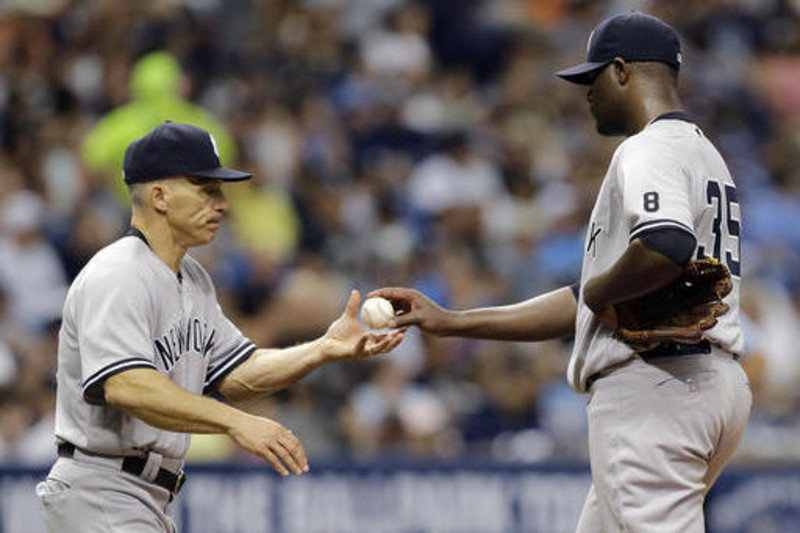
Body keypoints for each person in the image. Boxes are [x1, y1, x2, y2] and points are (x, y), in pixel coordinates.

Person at [372, 12, 750, 533]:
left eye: (592, 77)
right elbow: (584, 300)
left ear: (622, 71)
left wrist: (599, 293)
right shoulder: (705, 154)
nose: (586, 93)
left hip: (656, 389)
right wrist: (453, 320)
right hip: (708, 385)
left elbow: (665, 244)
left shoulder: (646, 148)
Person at [36, 121, 405, 533]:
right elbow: (126, 385)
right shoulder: (118, 273)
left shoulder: (193, 279)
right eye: (206, 189)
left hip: (142, 497)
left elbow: (238, 374)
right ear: (159, 195)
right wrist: (236, 422)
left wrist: (322, 348)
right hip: (101, 489)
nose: (222, 203)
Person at [82, 52, 237, 204]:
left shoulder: (121, 122)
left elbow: (90, 162)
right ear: (179, 84)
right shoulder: (199, 121)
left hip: (134, 212)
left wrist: (113, 189)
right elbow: (226, 159)